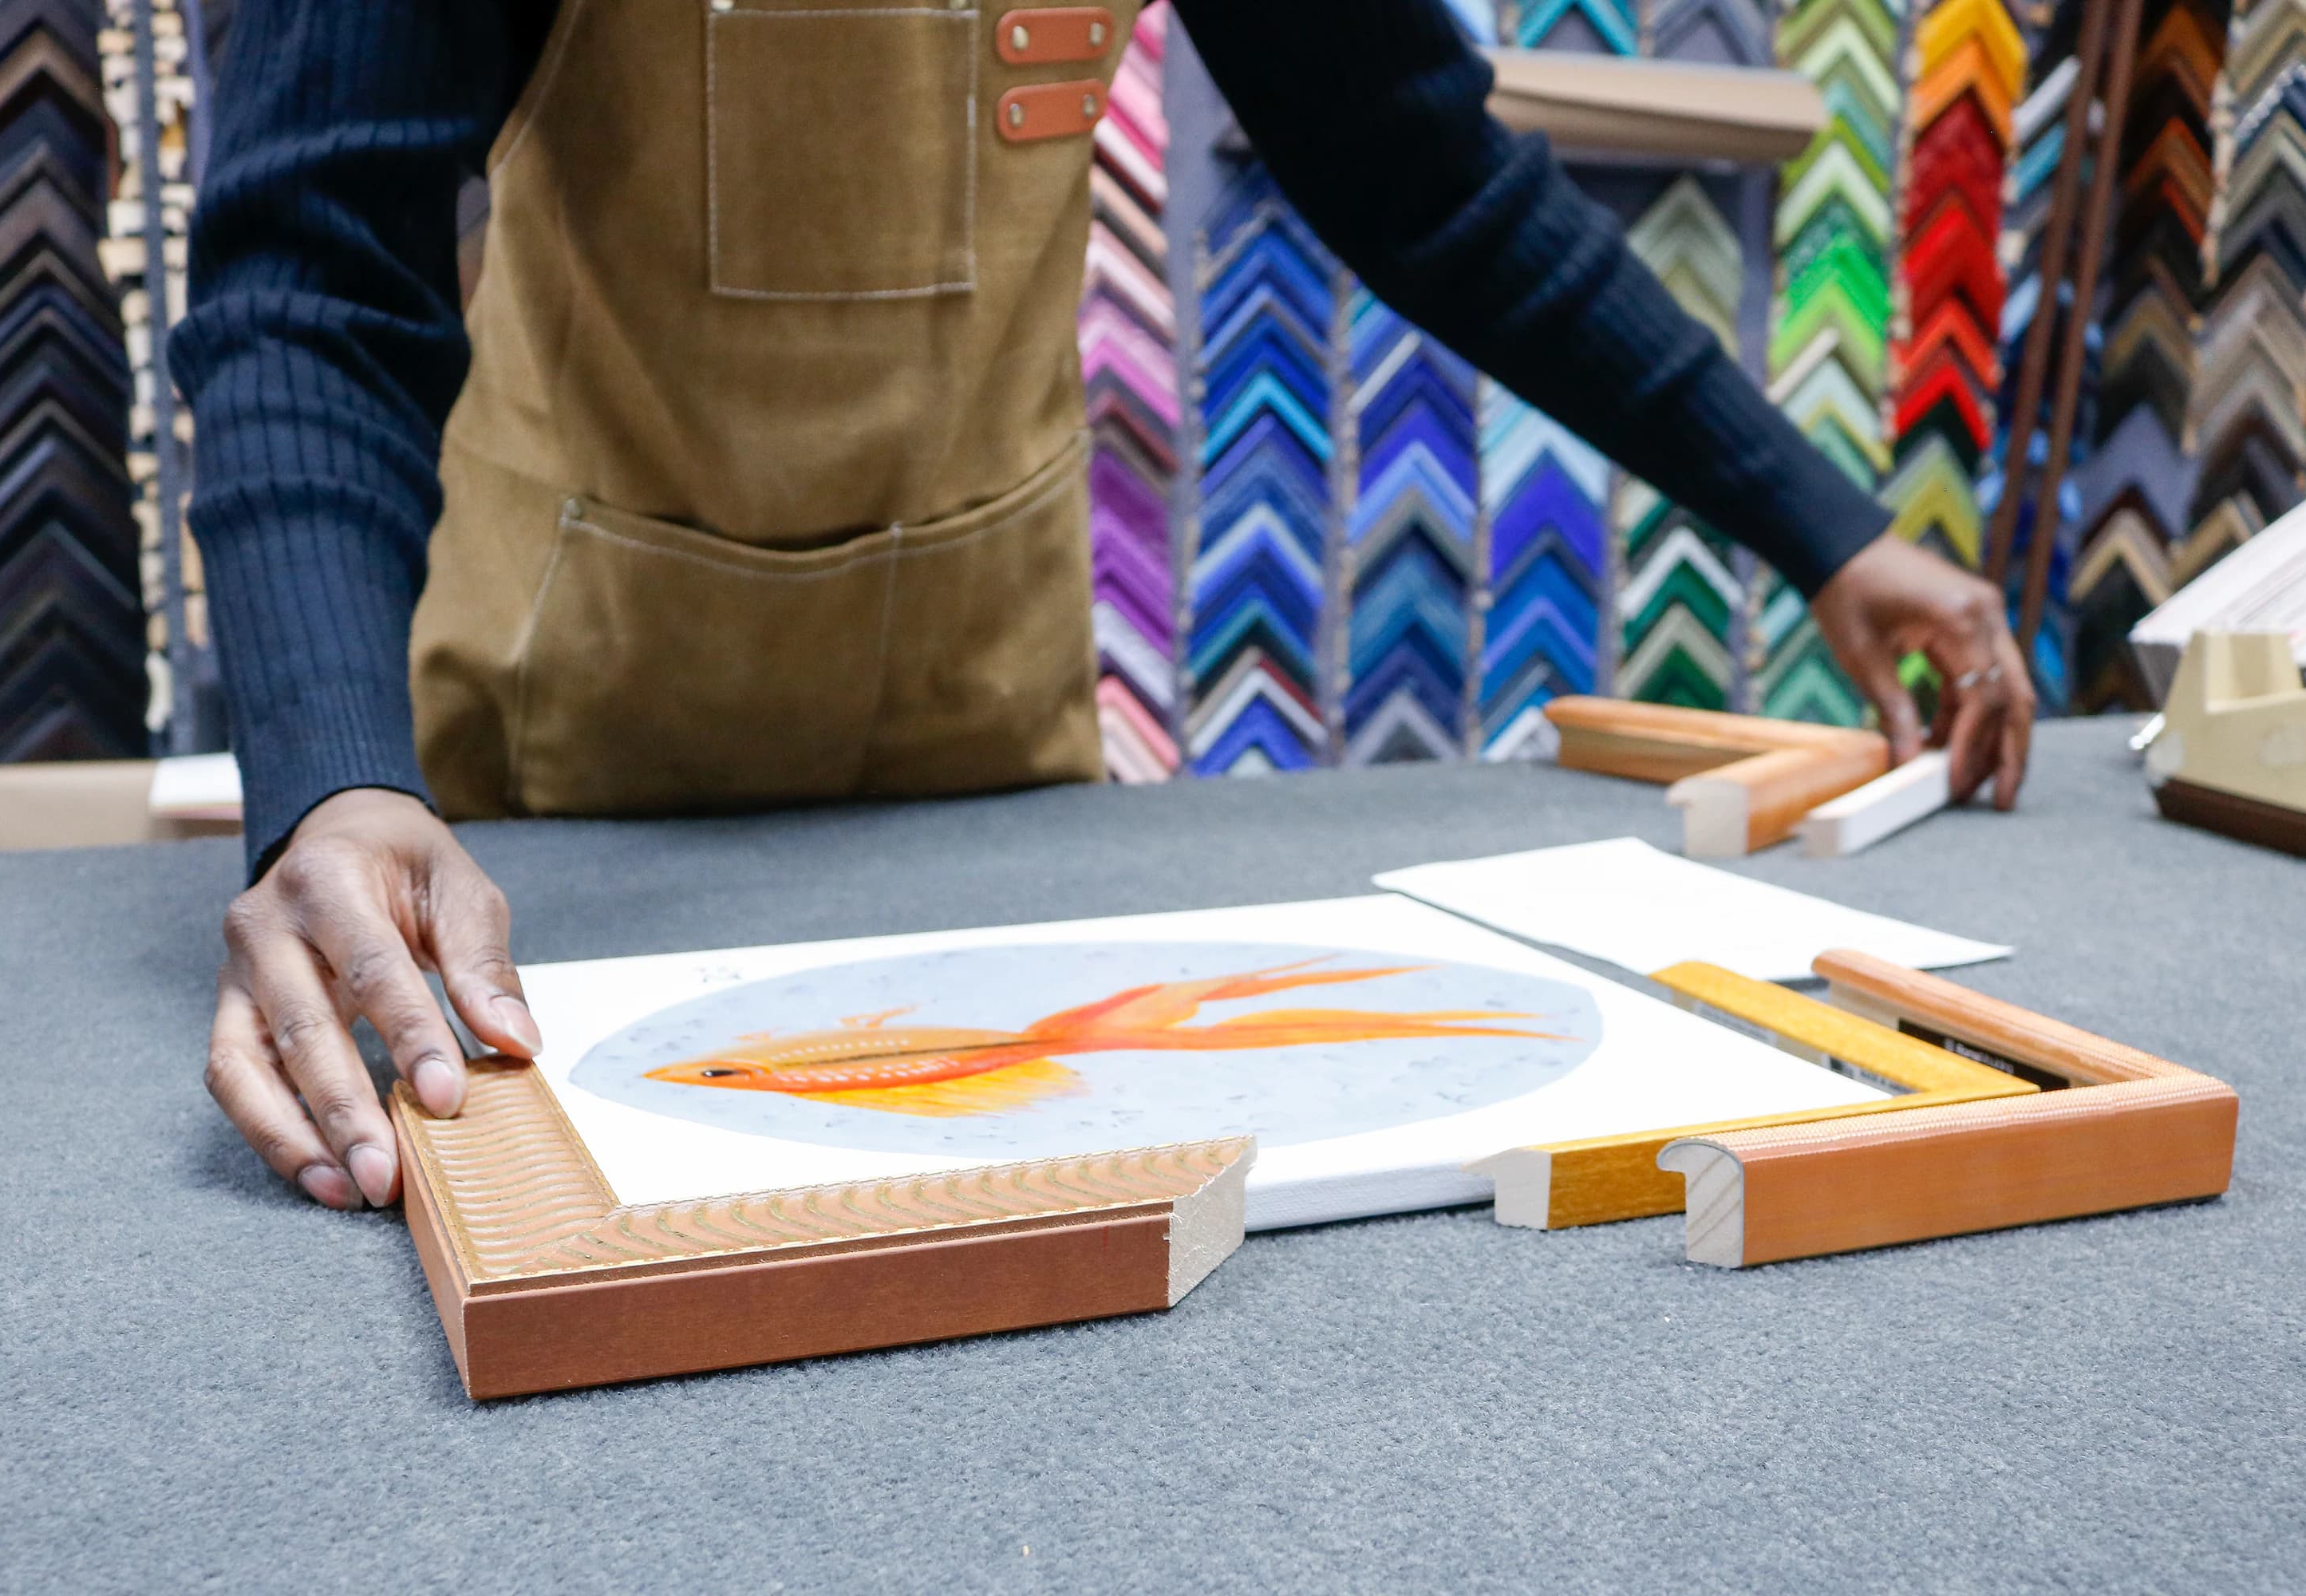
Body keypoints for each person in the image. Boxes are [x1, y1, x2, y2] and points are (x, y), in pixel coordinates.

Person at [173, 0, 2035, 1213]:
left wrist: (1819, 523)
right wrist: (337, 776)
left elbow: (1419, 166)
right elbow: (318, 272)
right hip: (585, 741)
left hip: (991, 721)